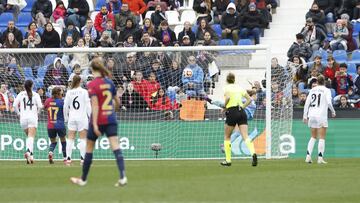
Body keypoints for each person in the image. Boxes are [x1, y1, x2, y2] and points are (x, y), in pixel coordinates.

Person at [70, 60, 127, 186]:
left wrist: (95, 124)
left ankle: (83, 179)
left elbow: (94, 106)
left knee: (89, 148)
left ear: (92, 70)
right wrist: (113, 110)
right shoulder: (109, 82)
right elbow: (117, 102)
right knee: (116, 147)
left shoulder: (93, 84)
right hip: (111, 118)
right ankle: (123, 177)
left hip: (99, 120)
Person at [220, 73, 257, 167]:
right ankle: (253, 154)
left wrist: (224, 107)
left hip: (232, 111)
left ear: (227, 80)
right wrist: (243, 107)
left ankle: (228, 160)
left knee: (227, 136)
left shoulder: (226, 88)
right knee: (245, 136)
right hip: (241, 112)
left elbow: (228, 97)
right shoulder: (239, 88)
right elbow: (249, 99)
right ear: (234, 79)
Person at [303, 75, 336, 164]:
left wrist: (305, 116)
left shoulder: (312, 90)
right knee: (322, 137)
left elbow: (307, 103)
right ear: (324, 81)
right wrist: (333, 111)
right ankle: (320, 158)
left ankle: (308, 156)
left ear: (317, 82)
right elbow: (329, 102)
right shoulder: (326, 90)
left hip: (311, 115)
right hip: (321, 115)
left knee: (313, 137)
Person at [13, 80, 43, 164]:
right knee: (31, 137)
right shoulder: (35, 94)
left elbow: (14, 105)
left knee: (29, 137)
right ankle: (28, 151)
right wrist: (38, 112)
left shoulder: (20, 94)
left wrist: (18, 113)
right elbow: (40, 106)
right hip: (32, 117)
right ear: (32, 85)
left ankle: (31, 157)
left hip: (23, 118)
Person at [64, 75, 91, 165]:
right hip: (82, 118)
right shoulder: (84, 92)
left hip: (72, 118)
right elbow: (88, 106)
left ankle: (68, 158)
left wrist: (66, 117)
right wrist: (90, 116)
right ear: (80, 82)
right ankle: (83, 159)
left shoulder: (69, 92)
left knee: (70, 138)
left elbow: (65, 106)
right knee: (83, 139)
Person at [44, 87, 67, 164]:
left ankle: (50, 152)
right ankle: (65, 158)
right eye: (61, 94)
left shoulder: (47, 101)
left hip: (50, 125)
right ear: (58, 94)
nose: (62, 95)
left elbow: (44, 108)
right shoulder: (62, 102)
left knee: (53, 142)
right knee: (63, 141)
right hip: (60, 124)